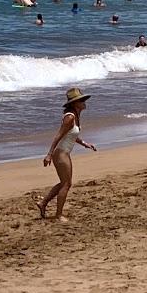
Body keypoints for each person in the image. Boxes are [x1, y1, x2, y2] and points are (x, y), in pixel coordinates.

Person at [39, 87, 96, 221]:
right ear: (75, 103)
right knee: (66, 184)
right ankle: (58, 215)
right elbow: (58, 136)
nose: (84, 102)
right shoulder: (70, 117)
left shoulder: (75, 115)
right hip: (60, 154)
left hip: (64, 153)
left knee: (64, 183)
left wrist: (84, 143)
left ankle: (43, 203)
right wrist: (49, 154)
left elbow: (71, 136)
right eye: (81, 100)